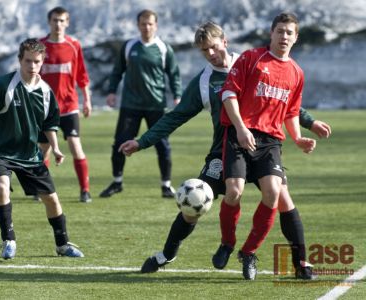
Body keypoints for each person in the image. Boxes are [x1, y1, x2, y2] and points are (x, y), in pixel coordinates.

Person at [119, 21, 331, 279]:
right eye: (204, 51)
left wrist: (309, 122)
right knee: (194, 201)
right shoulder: (204, 82)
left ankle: (300, 263)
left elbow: (282, 98)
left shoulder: (252, 61)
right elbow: (175, 117)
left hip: (263, 143)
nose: (210, 54)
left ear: (225, 42)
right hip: (226, 148)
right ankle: (167, 254)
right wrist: (142, 141)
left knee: (282, 199)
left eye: (214, 47)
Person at [218, 12, 317, 280]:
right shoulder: (252, 58)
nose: (284, 36)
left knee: (274, 193)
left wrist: (297, 138)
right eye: (280, 31)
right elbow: (229, 93)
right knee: (234, 192)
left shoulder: (296, 73)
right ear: (271, 33)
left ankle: (248, 251)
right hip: (240, 133)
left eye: (289, 33)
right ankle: (227, 242)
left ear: (295, 38)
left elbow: (291, 112)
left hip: (270, 141)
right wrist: (240, 128)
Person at [0, 38, 84, 259]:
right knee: (2, 187)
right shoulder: (3, 86)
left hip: (30, 155)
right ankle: (9, 240)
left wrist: (56, 147)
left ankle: (62, 245)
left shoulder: (45, 92)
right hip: (0, 152)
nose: (32, 66)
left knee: (52, 199)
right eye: (27, 61)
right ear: (19, 61)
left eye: (36, 62)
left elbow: (49, 124)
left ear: (42, 62)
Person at [99, 9, 182, 199]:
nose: (146, 27)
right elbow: (117, 71)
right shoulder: (129, 47)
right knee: (119, 143)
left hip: (157, 106)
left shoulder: (163, 48)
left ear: (156, 25)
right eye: (143, 24)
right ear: (138, 25)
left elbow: (174, 74)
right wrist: (112, 91)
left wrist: (177, 95)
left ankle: (166, 186)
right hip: (130, 106)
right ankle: (117, 182)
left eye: (150, 24)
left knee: (162, 146)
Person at [38, 6, 92, 203]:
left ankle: (85, 190)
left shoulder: (74, 45)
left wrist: (87, 99)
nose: (58, 24)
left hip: (69, 106)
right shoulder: (39, 46)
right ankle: (41, 188)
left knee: (75, 147)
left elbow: (81, 75)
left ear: (67, 23)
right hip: (45, 108)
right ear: (49, 22)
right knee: (44, 149)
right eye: (55, 20)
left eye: (62, 21)